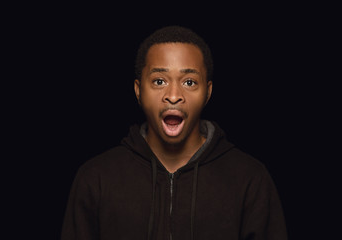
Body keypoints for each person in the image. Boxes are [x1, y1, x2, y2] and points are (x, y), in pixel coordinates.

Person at [61, 26, 287, 240]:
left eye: (189, 82)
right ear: (139, 91)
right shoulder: (96, 178)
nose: (173, 95)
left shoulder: (250, 179)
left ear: (207, 92)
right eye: (159, 81)